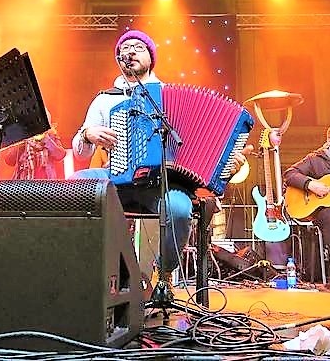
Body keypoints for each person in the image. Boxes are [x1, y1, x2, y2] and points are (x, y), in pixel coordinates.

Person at [68, 29, 246, 295]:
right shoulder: (105, 99)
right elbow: (80, 153)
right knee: (74, 185)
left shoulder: (167, 96)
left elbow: (206, 146)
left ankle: (163, 273)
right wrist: (87, 134)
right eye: (125, 48)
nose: (131, 51)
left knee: (178, 209)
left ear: (151, 57)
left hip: (161, 185)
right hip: (117, 180)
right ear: (118, 58)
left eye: (138, 47)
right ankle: (85, 270)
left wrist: (229, 163)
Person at [282, 124, 330, 281]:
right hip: (327, 212)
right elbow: (290, 174)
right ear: (329, 141)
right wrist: (309, 184)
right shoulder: (315, 159)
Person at [1, 109, 66, 179]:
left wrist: (47, 140)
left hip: (46, 181)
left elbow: (60, 155)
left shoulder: (52, 137)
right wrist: (20, 142)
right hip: (24, 180)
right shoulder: (22, 138)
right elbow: (9, 160)